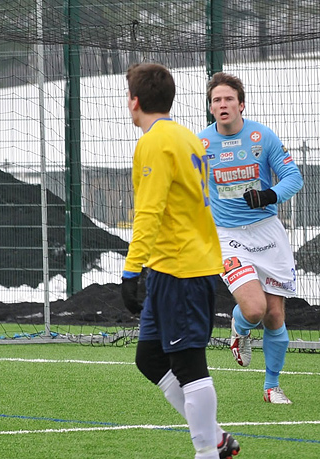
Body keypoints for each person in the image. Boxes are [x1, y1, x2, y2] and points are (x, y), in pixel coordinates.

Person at [121, 63, 239, 459]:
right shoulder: (186, 136)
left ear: (135, 101)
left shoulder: (155, 143)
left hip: (180, 268)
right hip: (174, 267)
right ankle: (216, 438)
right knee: (150, 357)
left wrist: (130, 268)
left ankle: (207, 451)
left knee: (189, 365)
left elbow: (149, 212)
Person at [199, 72, 303, 404]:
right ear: (211, 108)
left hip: (268, 234)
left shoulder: (262, 136)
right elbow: (189, 190)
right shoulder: (199, 145)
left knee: (275, 315)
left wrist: (268, 196)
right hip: (227, 236)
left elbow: (293, 176)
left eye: (229, 98)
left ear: (241, 104)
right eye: (217, 100)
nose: (223, 104)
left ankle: (271, 387)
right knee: (255, 309)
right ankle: (240, 327)